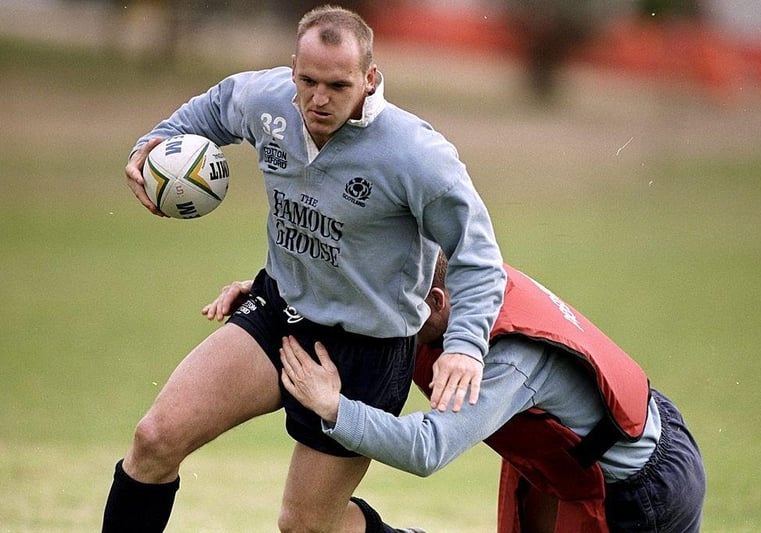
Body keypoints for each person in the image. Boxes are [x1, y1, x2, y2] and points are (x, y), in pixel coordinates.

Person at [102, 5, 506, 532]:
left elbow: (478, 254)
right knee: (154, 440)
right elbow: (217, 107)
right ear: (292, 67)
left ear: (370, 78)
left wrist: (465, 347)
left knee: (305, 527)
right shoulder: (267, 100)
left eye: (338, 85)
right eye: (307, 80)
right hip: (279, 311)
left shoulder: (417, 155)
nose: (318, 99)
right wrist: (153, 145)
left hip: (367, 349)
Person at [260, 253, 706, 532]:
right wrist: (275, 295)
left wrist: (335, 408)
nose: (375, 312)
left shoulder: (507, 358)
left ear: (435, 302)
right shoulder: (468, 280)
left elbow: (427, 448)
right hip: (567, 461)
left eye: (389, 302)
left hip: (641, 487)